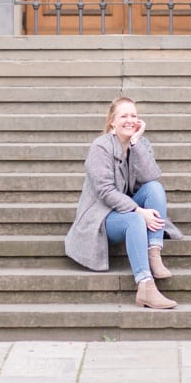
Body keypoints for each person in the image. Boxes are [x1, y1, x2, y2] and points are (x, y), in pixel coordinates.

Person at [64, 96, 181, 310]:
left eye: (134, 116)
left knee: (155, 188)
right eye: (124, 116)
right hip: (101, 217)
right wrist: (139, 210)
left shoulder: (141, 143)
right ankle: (145, 285)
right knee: (135, 220)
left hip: (124, 208)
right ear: (112, 121)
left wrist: (135, 143)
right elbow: (106, 191)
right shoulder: (100, 147)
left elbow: (151, 176)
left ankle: (154, 251)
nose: (130, 120)